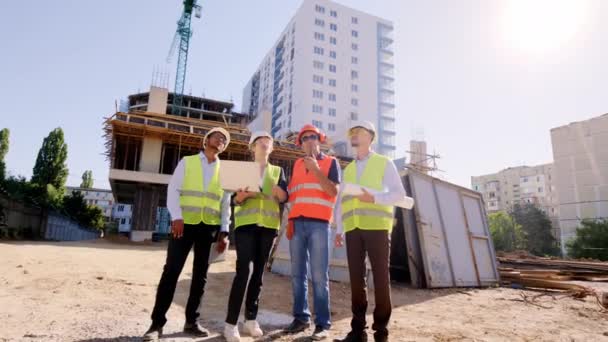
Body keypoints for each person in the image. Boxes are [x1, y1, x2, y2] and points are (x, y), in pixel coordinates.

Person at [142, 127, 232, 342]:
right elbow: (173, 190)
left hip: (208, 228)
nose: (221, 139)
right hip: (184, 225)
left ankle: (192, 321)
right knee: (171, 272)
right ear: (207, 140)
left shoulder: (226, 171)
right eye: (218, 136)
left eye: (225, 139)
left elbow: (225, 203)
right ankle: (156, 325)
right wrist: (177, 217)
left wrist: (224, 230)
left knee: (200, 276)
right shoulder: (188, 161)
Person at [333, 121, 405, 342]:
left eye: (358, 131)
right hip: (353, 228)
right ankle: (358, 331)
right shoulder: (349, 169)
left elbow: (398, 194)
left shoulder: (384, 163)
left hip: (377, 229)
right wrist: (339, 228)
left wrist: (373, 198)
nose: (354, 135)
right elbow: (341, 200)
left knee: (381, 280)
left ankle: (381, 333)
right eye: (352, 132)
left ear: (370, 137)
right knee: (356, 280)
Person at [223, 131, 288, 342]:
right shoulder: (242, 171)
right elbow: (235, 199)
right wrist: (242, 196)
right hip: (246, 226)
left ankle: (251, 319)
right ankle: (230, 324)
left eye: (267, 141)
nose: (264, 144)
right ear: (252, 147)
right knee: (244, 272)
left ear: (271, 148)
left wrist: (269, 191)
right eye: (259, 141)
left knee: (258, 275)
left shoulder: (278, 171)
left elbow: (283, 196)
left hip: (268, 227)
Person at [284, 124, 341, 341]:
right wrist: (290, 220)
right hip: (297, 224)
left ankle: (322, 324)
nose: (308, 140)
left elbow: (333, 192)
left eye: (312, 137)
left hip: (319, 225)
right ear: (300, 144)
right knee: (297, 275)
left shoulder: (331, 162)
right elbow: (294, 196)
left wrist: (316, 169)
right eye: (305, 138)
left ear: (320, 140)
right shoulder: (297, 165)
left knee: (319, 276)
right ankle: (301, 318)